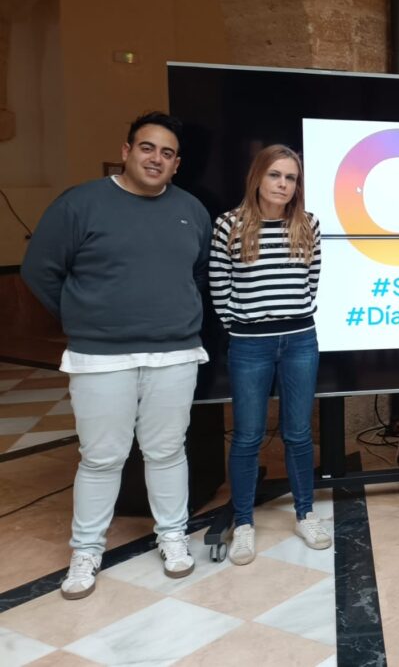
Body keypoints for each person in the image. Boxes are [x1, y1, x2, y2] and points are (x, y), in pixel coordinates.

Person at [21, 111, 211, 599]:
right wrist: (83, 316)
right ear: (126, 151)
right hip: (100, 358)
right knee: (102, 458)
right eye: (147, 148)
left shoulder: (191, 209)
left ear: (176, 164)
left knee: (167, 451)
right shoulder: (80, 204)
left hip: (174, 353)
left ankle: (172, 536)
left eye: (167, 153)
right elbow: (40, 269)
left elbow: (198, 273)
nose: (156, 159)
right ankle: (86, 551)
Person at [209, 145, 328, 565]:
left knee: (298, 433)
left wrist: (293, 314)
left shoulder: (308, 224)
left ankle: (305, 514)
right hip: (249, 343)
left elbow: (312, 281)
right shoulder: (230, 225)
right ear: (257, 177)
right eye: (275, 175)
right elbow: (219, 285)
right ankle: (244, 523)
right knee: (247, 436)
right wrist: (240, 325)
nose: (283, 184)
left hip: (300, 340)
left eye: (290, 178)